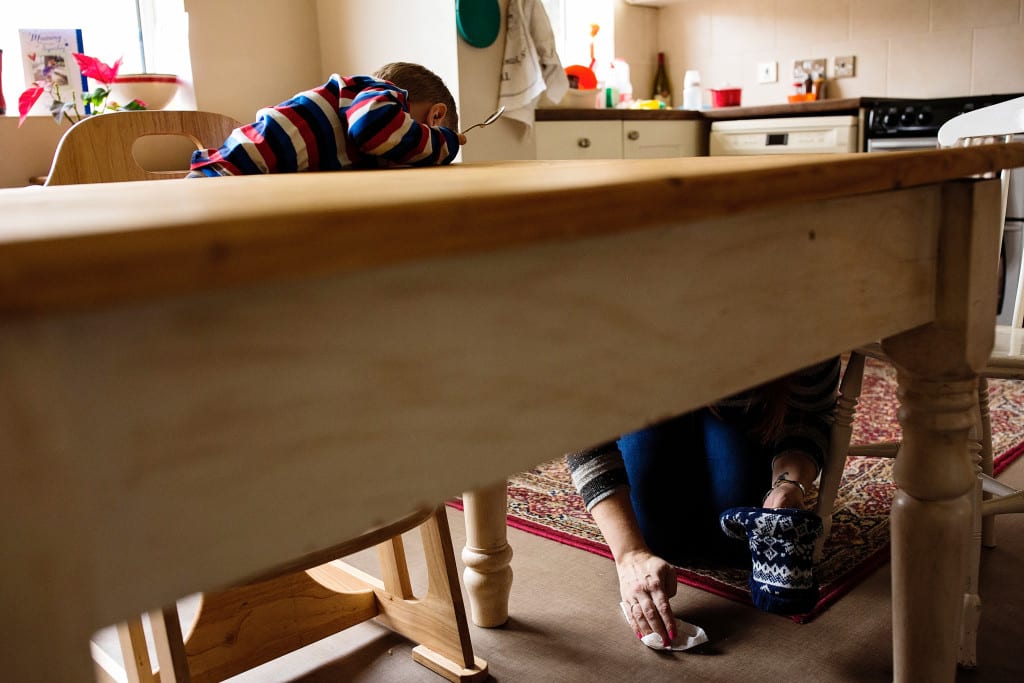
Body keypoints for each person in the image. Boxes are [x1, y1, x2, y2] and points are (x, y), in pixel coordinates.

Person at [566, 357, 840, 648]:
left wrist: (787, 484)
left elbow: (810, 414)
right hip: (650, 397)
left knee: (733, 534)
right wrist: (630, 554)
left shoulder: (808, 320)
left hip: (742, 405)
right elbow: (580, 421)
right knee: (655, 530)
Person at [189, 62, 465, 177]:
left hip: (241, 174)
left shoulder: (360, 105)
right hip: (228, 174)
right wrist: (446, 143)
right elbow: (375, 131)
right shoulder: (384, 93)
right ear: (435, 115)